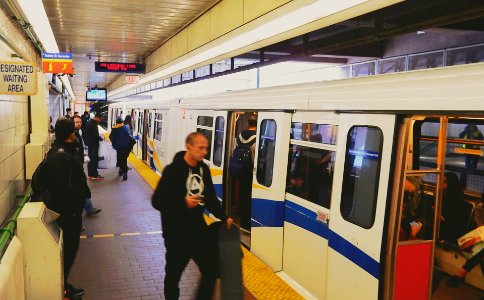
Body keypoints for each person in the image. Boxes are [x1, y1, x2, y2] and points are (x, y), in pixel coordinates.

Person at [151, 132, 233, 300]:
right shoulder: (172, 171)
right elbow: (157, 201)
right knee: (173, 277)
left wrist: (224, 217)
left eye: (206, 148)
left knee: (211, 271)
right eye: (201, 148)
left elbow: (209, 198)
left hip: (198, 231)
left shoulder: (203, 169)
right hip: (176, 235)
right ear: (189, 146)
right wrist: (183, 203)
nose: (204, 152)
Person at [43, 117, 90, 298]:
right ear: (71, 134)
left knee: (69, 250)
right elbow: (61, 189)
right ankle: (62, 287)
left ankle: (63, 284)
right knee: (68, 250)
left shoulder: (62, 151)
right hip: (67, 215)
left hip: (69, 212)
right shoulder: (61, 156)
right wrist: (72, 211)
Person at [230, 113, 257, 230]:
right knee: (248, 196)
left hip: (238, 169)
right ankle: (247, 222)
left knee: (241, 194)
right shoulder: (257, 139)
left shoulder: (240, 136)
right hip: (249, 172)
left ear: (248, 124)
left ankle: (241, 217)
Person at [73, 115, 101, 216]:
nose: (79, 123)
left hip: (78, 166)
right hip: (75, 168)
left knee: (82, 189)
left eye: (80, 122)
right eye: (76, 122)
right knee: (81, 190)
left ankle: (88, 209)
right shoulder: (72, 135)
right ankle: (80, 214)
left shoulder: (77, 133)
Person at [440, 172, 468, 245]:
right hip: (440, 225)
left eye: (445, 182)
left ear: (451, 183)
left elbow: (454, 222)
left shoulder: (457, 200)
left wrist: (441, 217)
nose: (441, 184)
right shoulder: (441, 195)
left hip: (451, 232)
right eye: (441, 181)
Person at [85, 113, 104, 180]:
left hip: (90, 144)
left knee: (91, 159)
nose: (100, 120)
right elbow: (95, 135)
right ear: (97, 117)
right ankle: (94, 175)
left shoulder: (89, 122)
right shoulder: (93, 124)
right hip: (94, 144)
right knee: (94, 160)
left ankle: (90, 174)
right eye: (100, 119)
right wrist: (100, 138)